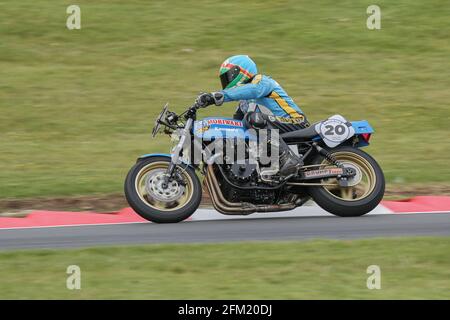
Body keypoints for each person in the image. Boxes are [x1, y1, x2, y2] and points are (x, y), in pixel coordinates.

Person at [196, 55, 310, 177]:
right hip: (277, 130)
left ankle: (287, 158)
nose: (226, 82)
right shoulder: (244, 103)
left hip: (294, 122)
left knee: (253, 118)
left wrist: (217, 96)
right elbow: (236, 128)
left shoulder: (262, 81)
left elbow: (254, 89)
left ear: (242, 72)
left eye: (227, 77)